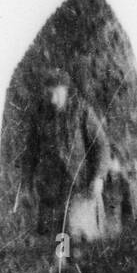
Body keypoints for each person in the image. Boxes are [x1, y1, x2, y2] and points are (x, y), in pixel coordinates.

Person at [23, 67, 111, 242]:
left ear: (65, 90)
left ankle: (83, 266)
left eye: (56, 94)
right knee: (60, 241)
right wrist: (27, 185)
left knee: (80, 235)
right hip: (52, 191)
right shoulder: (39, 116)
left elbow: (101, 145)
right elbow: (30, 153)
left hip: (80, 186)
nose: (53, 100)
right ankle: (62, 267)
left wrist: (99, 177)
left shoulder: (82, 111)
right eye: (49, 95)